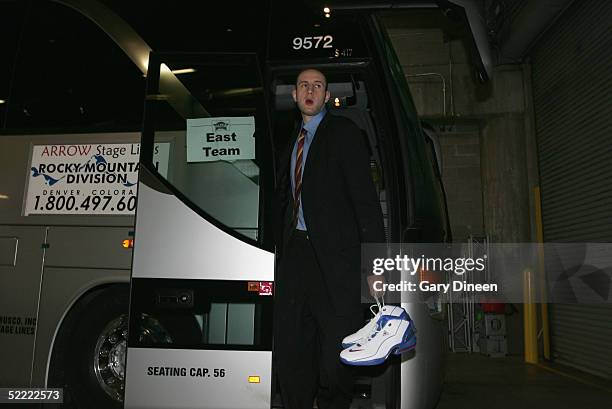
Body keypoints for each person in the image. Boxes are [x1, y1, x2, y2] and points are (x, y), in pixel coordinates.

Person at [274, 68, 386, 409]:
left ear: (326, 96)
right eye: (304, 85)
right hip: (295, 258)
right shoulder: (289, 141)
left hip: (336, 263)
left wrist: (375, 264)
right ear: (294, 95)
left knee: (336, 358)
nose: (310, 90)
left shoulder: (344, 133)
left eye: (317, 86)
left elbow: (366, 202)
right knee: (292, 350)